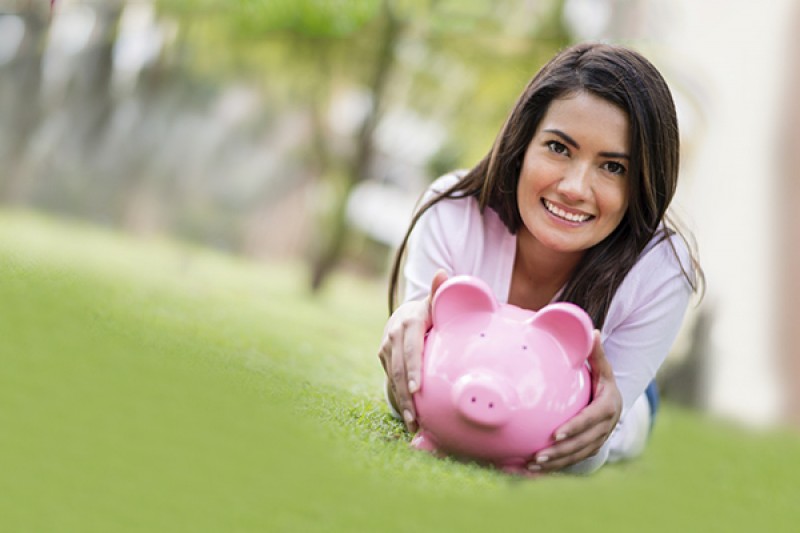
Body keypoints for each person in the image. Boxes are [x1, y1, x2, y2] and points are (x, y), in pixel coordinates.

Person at [377, 42, 704, 475]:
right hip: (481, 385)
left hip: (627, 399)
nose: (574, 187)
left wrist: (601, 426)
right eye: (559, 148)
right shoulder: (452, 212)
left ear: (643, 182)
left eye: (613, 168)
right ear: (522, 143)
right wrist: (410, 333)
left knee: (633, 419)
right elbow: (411, 394)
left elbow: (583, 452)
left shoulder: (661, 269)